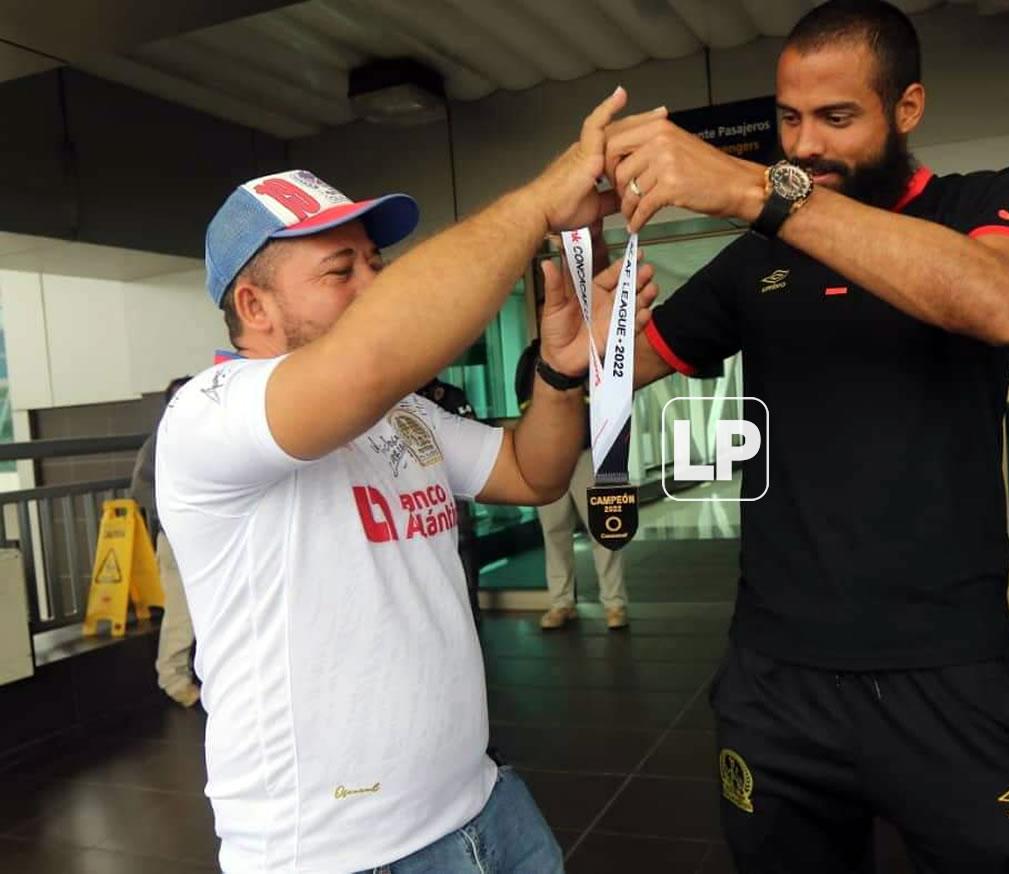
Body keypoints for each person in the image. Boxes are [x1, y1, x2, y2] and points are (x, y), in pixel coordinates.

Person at [607, 2, 1009, 871]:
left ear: (908, 107)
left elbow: (1001, 303)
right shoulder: (755, 263)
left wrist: (754, 190)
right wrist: (576, 343)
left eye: (836, 117)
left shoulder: (990, 201)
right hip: (776, 680)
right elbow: (616, 368)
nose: (805, 145)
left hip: (948, 673)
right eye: (788, 119)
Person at [155, 89, 658, 874]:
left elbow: (532, 471)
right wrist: (535, 204)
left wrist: (561, 370)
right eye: (339, 269)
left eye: (374, 263)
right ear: (253, 306)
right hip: (339, 858)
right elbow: (370, 357)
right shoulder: (208, 415)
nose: (373, 283)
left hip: (482, 804)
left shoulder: (397, 415)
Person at [514, 222, 629, 632]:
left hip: (588, 457)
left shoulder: (592, 354)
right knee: (555, 533)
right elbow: (526, 411)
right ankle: (562, 602)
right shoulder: (530, 360)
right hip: (548, 464)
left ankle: (614, 603)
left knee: (605, 530)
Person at [130, 376, 198, 707]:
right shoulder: (161, 441)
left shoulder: (203, 435)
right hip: (176, 538)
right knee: (182, 613)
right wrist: (177, 512)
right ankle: (174, 680)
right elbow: (140, 490)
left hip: (206, 537)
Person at [415, 376, 482, 623]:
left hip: (452, 481)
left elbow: (471, 432)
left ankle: (471, 606)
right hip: (413, 485)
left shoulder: (451, 394)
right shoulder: (399, 394)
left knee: (463, 541)